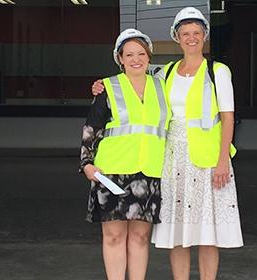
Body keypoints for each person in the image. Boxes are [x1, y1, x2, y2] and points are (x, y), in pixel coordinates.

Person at [91, 7, 243, 280]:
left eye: (197, 33)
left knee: (208, 232)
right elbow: (135, 75)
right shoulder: (167, 72)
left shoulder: (217, 72)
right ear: (177, 37)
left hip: (208, 159)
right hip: (173, 159)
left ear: (205, 36)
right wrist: (102, 85)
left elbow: (228, 118)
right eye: (185, 33)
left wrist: (223, 160)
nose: (191, 38)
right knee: (179, 232)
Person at [80, 28, 171, 280]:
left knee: (141, 237)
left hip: (149, 171)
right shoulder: (107, 87)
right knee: (114, 236)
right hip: (112, 173)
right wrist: (87, 163)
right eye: (128, 54)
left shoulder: (164, 87)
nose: (135, 59)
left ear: (149, 57)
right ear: (119, 58)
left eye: (141, 53)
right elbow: (91, 127)